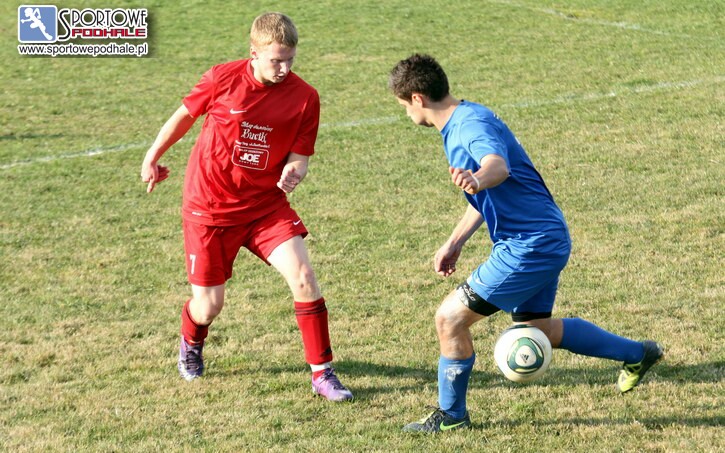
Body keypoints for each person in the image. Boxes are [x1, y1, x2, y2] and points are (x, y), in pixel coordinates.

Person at [388, 54, 663, 433]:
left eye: (404, 105)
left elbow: (497, 167)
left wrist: (478, 179)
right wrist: (455, 240)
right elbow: (488, 194)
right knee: (537, 328)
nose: (406, 113)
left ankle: (451, 415)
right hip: (543, 236)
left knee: (449, 319)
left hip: (529, 245)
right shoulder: (468, 116)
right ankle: (638, 353)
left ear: (418, 98)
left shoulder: (468, 126)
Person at [140, 12, 353, 402]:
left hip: (265, 206)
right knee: (208, 307)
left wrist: (295, 170)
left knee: (304, 276)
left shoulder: (305, 97)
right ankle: (191, 341)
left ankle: (323, 374)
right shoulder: (222, 78)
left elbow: (300, 156)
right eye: (276, 60)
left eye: (290, 59)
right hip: (209, 209)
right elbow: (184, 116)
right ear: (253, 53)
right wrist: (153, 155)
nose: (284, 69)